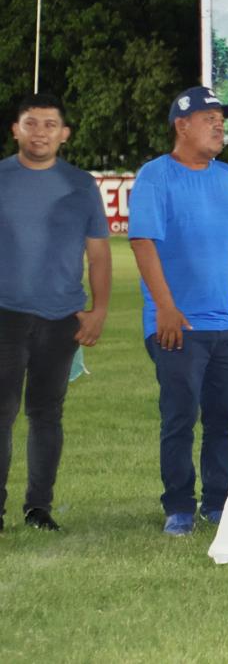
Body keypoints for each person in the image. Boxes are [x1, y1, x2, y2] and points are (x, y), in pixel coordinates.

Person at [129, 86, 228, 536]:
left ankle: (219, 503)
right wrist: (165, 307)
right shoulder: (155, 176)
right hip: (177, 325)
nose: (220, 125)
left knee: (225, 419)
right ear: (182, 125)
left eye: (222, 119)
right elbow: (142, 242)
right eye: (210, 118)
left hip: (227, 323)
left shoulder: (226, 177)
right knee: (180, 417)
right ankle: (179, 504)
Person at [0, 94, 111, 533]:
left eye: (50, 124)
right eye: (32, 123)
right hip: (5, 314)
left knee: (46, 414)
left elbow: (99, 254)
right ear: (16, 129)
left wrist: (98, 310)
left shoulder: (80, 185)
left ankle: (38, 507)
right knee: (1, 414)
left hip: (61, 317)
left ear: (63, 134)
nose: (40, 132)